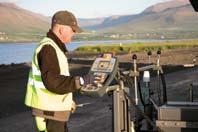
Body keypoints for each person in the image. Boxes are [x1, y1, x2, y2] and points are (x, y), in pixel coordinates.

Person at [25, 10, 92, 132]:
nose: (74, 33)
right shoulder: (48, 48)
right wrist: (80, 81)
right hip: (48, 113)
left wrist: (67, 101)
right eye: (73, 30)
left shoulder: (53, 47)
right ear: (62, 30)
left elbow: (57, 78)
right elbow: (52, 81)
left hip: (53, 111)